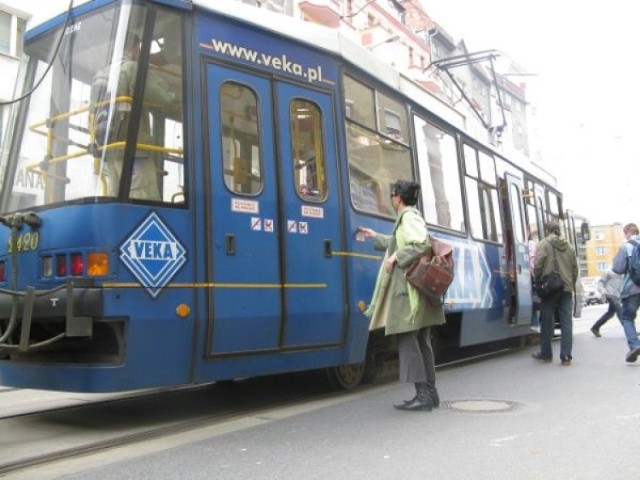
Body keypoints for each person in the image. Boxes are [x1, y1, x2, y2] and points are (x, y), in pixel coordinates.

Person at [359, 180, 446, 411]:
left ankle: (423, 395)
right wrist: (376, 236)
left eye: (392, 195)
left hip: (409, 292)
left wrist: (395, 258)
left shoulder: (408, 216)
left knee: (409, 340)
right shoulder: (411, 216)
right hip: (418, 290)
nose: (391, 198)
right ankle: (431, 394)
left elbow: (420, 245)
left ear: (397, 197)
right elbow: (401, 243)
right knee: (421, 341)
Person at [91, 33, 179, 200]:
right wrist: (184, 98)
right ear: (134, 48)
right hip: (133, 150)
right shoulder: (131, 68)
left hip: (108, 151)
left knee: (115, 197)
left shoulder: (101, 74)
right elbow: (165, 96)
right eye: (139, 49)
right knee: (142, 196)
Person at [531, 220, 578, 365]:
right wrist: (570, 283)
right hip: (566, 288)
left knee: (547, 319)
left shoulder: (543, 244)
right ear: (559, 231)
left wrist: (537, 276)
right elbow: (575, 269)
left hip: (550, 287)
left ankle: (546, 354)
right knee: (566, 321)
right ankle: (566, 356)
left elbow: (538, 264)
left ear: (547, 231)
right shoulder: (569, 247)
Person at [611, 223, 640, 362]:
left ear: (627, 233)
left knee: (628, 318)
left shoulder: (626, 246)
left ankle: (634, 345)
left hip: (632, 289)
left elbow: (618, 269)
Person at [590, 269, 623, 337]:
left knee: (610, 313)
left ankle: (595, 327)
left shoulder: (624, 271)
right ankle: (630, 330)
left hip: (618, 295)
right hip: (610, 294)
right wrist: (602, 291)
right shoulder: (609, 271)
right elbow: (601, 282)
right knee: (620, 311)